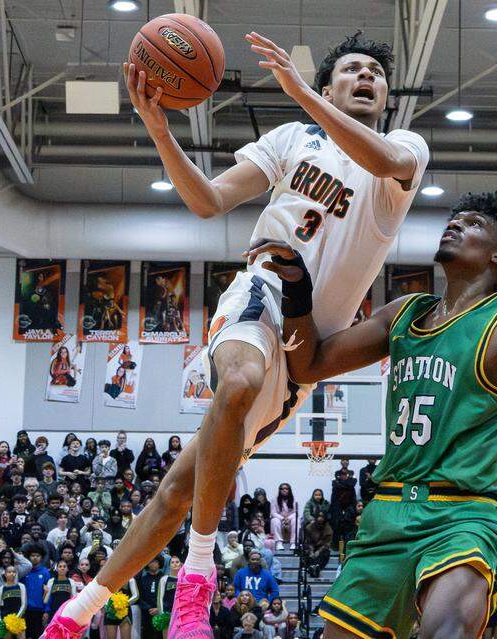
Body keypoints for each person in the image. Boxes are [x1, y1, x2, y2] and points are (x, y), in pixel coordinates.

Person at [40, 29, 429, 639]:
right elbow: (209, 200)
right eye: (352, 68)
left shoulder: (403, 150)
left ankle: (74, 614)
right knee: (241, 378)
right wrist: (161, 131)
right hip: (262, 284)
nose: (366, 77)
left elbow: (385, 160)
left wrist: (301, 91)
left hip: (311, 341)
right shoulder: (291, 139)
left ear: (383, 95)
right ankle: (198, 575)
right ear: (330, 85)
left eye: (375, 72)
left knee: (175, 493)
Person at [250, 191, 497, 639]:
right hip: (386, 510)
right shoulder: (404, 313)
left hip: (461, 511)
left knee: (444, 630)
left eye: (474, 223)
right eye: (454, 219)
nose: (457, 224)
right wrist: (296, 291)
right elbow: (309, 364)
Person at [0, 564, 26, 639]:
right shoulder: (1, 589)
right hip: (6, 619)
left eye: (14, 572)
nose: (12, 573)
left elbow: (24, 604)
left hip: (19, 618)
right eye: (9, 572)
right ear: (5, 574)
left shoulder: (21, 586)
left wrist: (17, 617)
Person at [269, 483, 298, 550]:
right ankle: (279, 543)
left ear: (289, 490)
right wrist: (282, 518)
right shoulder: (274, 499)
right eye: (282, 489)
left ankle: (293, 543)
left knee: (296, 520)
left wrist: (288, 518)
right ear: (279, 490)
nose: (284, 490)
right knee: (274, 520)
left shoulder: (294, 499)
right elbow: (273, 513)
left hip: (290, 520)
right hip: (280, 520)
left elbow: (296, 513)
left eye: (286, 489)